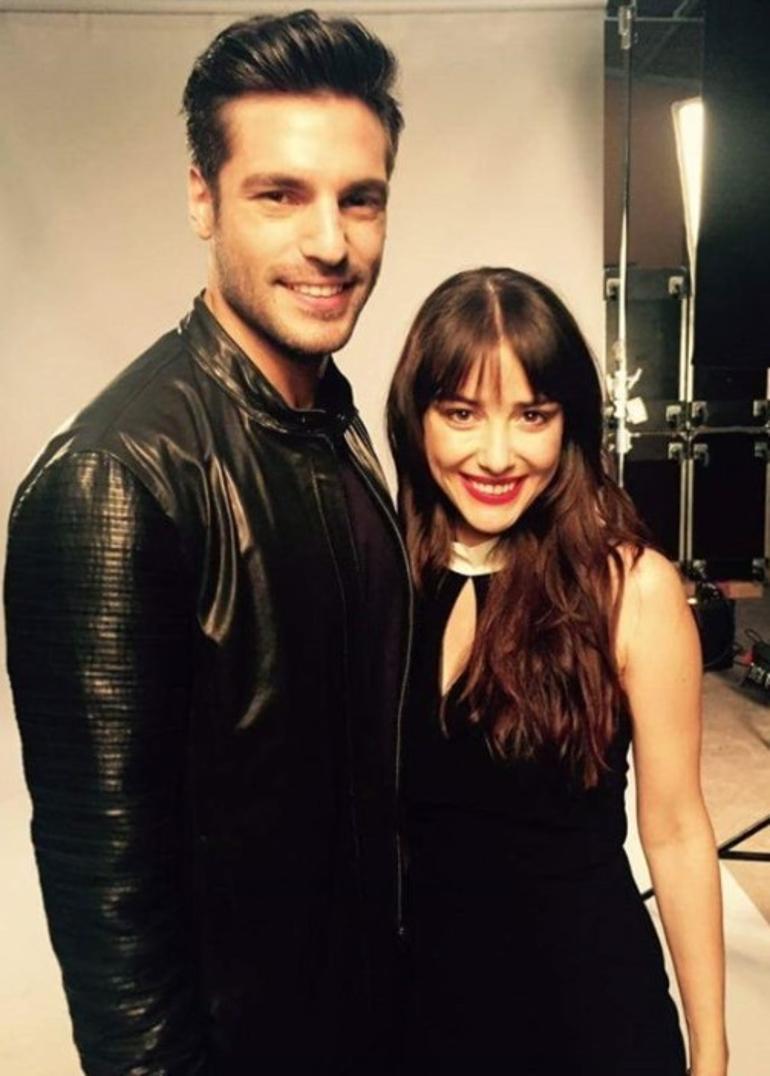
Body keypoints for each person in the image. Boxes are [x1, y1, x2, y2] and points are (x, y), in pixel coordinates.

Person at [4, 11, 411, 1075]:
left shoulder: (336, 424)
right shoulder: (113, 478)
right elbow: (110, 917)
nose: (330, 242)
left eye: (359, 198)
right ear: (202, 197)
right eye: (279, 195)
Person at [387, 267, 727, 1076]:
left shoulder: (631, 588)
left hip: (590, 1021)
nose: (497, 454)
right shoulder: (380, 569)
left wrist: (711, 1052)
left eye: (531, 414)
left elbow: (676, 829)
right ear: (418, 416)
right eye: (462, 413)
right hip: (419, 1017)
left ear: (569, 421)